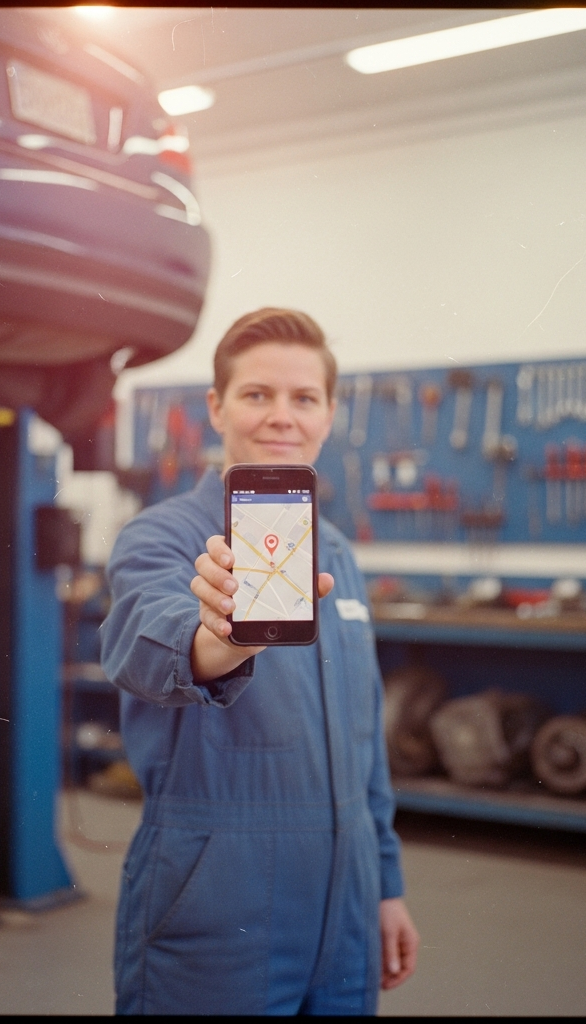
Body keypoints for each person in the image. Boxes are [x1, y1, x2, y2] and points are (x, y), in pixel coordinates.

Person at [99, 308, 419, 1015]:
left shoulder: (335, 553)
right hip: (217, 905)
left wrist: (385, 885)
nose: (283, 417)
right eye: (257, 395)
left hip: (346, 906)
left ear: (330, 414)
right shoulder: (161, 537)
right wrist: (228, 637)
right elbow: (147, 643)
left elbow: (366, 745)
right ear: (215, 407)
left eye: (303, 398)